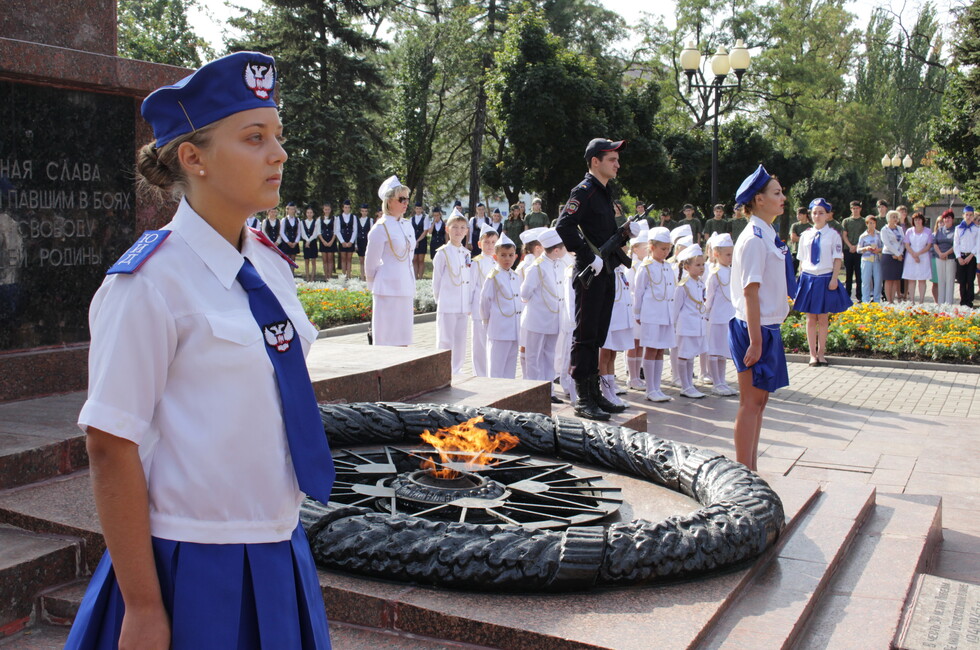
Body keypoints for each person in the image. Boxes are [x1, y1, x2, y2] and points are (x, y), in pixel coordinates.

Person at [65, 51, 333, 649]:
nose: (279, 154)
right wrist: (141, 605)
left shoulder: (268, 265)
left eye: (279, 136)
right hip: (190, 559)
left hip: (280, 541)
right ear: (194, 158)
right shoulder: (148, 283)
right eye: (255, 138)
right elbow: (110, 444)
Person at [555, 138, 638, 420]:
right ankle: (583, 397)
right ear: (595, 162)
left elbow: (602, 232)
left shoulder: (604, 191)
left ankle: (595, 393)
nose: (618, 164)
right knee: (586, 335)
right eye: (612, 159)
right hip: (591, 272)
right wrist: (588, 256)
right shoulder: (586, 190)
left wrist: (624, 232)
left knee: (598, 334)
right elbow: (563, 225)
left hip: (607, 271)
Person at [728, 165, 792, 471]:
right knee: (750, 403)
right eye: (776, 193)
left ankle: (751, 469)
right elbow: (750, 293)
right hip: (754, 330)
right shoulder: (754, 238)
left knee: (759, 403)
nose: (783, 198)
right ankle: (744, 473)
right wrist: (755, 341)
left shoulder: (766, 233)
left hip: (766, 327)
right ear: (758, 200)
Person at [795, 198, 851, 367]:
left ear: (828, 215)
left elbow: (837, 259)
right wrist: (801, 280)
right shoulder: (805, 235)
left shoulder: (833, 235)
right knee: (810, 318)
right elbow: (801, 260)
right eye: (814, 213)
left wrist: (834, 279)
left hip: (826, 278)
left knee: (823, 318)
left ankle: (822, 353)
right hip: (809, 277)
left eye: (821, 213)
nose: (817, 216)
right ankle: (812, 354)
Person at [365, 176, 415, 346]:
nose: (406, 202)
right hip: (387, 289)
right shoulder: (381, 227)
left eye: (407, 199)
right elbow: (370, 262)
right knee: (385, 338)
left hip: (405, 286)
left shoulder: (407, 225)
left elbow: (409, 257)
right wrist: (373, 284)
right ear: (389, 201)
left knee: (403, 337)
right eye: (401, 199)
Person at [520, 228, 567, 402]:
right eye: (563, 248)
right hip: (536, 319)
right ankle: (534, 390)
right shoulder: (537, 267)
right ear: (556, 250)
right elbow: (524, 292)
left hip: (554, 319)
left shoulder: (560, 265)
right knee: (533, 356)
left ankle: (549, 390)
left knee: (549, 355)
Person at [634, 226, 675, 402]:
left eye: (668, 249)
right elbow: (639, 292)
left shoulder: (668, 267)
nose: (666, 252)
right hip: (651, 314)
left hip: (665, 314)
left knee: (660, 350)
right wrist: (637, 313)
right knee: (651, 349)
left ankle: (657, 387)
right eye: (663, 249)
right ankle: (650, 389)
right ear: (652, 247)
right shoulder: (646, 267)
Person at [432, 211, 471, 374]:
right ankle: (442, 370)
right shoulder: (442, 253)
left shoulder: (466, 254)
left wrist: (468, 302)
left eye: (462, 227)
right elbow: (437, 280)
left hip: (462, 304)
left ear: (466, 231)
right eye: (454, 227)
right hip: (447, 303)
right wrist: (439, 301)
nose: (458, 231)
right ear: (447, 229)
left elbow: (468, 280)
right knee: (445, 340)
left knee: (460, 340)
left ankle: (457, 369)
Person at [480, 234, 523, 378]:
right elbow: (485, 301)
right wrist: (487, 322)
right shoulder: (494, 276)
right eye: (503, 255)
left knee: (510, 368)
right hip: (499, 329)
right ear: (495, 256)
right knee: (496, 369)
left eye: (510, 255)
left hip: (513, 330)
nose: (507, 259)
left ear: (515, 256)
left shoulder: (515, 276)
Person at [704, 233, 737, 396]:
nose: (731, 257)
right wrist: (706, 314)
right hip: (716, 317)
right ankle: (716, 382)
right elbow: (709, 297)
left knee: (723, 351)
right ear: (717, 254)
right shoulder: (714, 273)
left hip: (728, 316)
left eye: (732, 254)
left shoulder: (732, 271)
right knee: (714, 350)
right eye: (728, 254)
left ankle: (722, 381)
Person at [469, 223, 498, 377]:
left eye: (493, 242)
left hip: (494, 310)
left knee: (490, 342)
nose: (490, 246)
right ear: (479, 244)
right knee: (479, 344)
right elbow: (471, 286)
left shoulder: (497, 262)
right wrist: (468, 306)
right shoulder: (476, 262)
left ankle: (489, 373)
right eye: (486, 242)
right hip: (478, 309)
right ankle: (479, 374)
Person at [625, 230, 650, 390]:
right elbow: (630, 289)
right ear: (635, 249)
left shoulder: (644, 264)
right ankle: (631, 376)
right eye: (644, 247)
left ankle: (637, 376)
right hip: (634, 308)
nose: (647, 249)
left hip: (643, 309)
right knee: (633, 344)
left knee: (640, 344)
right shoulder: (632, 267)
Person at [902, 211, 933, 304]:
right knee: (911, 279)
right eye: (915, 220)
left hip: (924, 257)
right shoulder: (909, 231)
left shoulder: (928, 231)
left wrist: (918, 254)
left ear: (922, 221)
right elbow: (907, 244)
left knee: (922, 280)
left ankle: (921, 301)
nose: (917, 221)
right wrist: (914, 255)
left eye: (919, 219)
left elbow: (928, 245)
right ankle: (911, 300)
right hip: (911, 257)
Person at [840, 200, 866, 302]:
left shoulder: (863, 221)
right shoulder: (846, 221)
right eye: (853, 208)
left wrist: (856, 246)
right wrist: (850, 246)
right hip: (848, 250)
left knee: (859, 274)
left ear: (860, 209)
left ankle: (859, 296)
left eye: (857, 208)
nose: (855, 210)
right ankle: (847, 295)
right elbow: (844, 235)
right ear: (851, 209)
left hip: (859, 250)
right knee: (848, 274)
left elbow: (864, 236)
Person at [953, 205, 978, 307]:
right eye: (966, 215)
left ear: (973, 217)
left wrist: (971, 255)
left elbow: (978, 244)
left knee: (970, 280)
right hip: (961, 257)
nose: (968, 217)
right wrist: (958, 257)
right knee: (962, 280)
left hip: (971, 257)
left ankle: (969, 301)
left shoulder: (976, 229)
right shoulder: (958, 228)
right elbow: (956, 243)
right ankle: (963, 300)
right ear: (963, 215)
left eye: (970, 215)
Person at [857, 214, 883, 303]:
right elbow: (858, 249)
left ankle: (876, 300)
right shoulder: (863, 236)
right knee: (866, 280)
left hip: (877, 260)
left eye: (873, 223)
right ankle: (865, 300)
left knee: (878, 280)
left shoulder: (879, 234)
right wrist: (865, 248)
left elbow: (884, 247)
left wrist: (878, 250)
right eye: (870, 223)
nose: (871, 225)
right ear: (867, 224)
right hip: (866, 260)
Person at [880, 209, 905, 302]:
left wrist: (900, 253)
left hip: (898, 256)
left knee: (895, 279)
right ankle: (888, 300)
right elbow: (887, 243)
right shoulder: (884, 229)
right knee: (888, 279)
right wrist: (897, 254)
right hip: (888, 255)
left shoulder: (900, 229)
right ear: (888, 218)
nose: (895, 219)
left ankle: (893, 299)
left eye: (896, 217)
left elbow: (903, 242)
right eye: (893, 217)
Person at [934, 209, 957, 305]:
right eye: (945, 218)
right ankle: (940, 303)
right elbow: (935, 243)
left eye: (949, 218)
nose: (947, 220)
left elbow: (956, 245)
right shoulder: (939, 230)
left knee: (950, 280)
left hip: (950, 258)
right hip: (939, 258)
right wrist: (940, 254)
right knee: (941, 280)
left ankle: (948, 303)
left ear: (952, 219)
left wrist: (946, 254)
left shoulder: (956, 230)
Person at [335, 199, 356, 279]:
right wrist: (342, 241)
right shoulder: (339, 218)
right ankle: (344, 276)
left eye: (348, 207)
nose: (347, 209)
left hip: (350, 239)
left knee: (349, 259)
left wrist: (351, 241)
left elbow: (355, 230)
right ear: (343, 208)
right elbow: (337, 231)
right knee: (343, 259)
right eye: (345, 207)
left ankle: (349, 276)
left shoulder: (353, 217)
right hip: (343, 240)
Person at [410, 201, 430, 280]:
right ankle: (415, 277)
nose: (418, 210)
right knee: (414, 259)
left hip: (421, 241)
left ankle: (420, 278)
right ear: (415, 209)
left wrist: (417, 241)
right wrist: (414, 241)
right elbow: (410, 231)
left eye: (420, 209)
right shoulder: (411, 219)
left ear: (422, 209)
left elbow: (425, 231)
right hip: (413, 240)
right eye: (417, 209)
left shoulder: (425, 218)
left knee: (421, 260)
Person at [789, 206, 812, 275]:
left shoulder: (811, 227)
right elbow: (793, 238)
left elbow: (811, 240)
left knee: (805, 271)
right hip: (796, 251)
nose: (797, 216)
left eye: (800, 214)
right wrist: (805, 238)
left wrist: (799, 238)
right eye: (797, 214)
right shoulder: (795, 226)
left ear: (805, 215)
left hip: (806, 252)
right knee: (792, 271)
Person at [300, 204, 320, 282]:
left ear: (313, 214)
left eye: (311, 212)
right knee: (306, 261)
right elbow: (303, 233)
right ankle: (307, 277)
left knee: (313, 261)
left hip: (313, 242)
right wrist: (307, 240)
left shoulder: (316, 222)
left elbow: (315, 233)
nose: (309, 214)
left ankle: (312, 277)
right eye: (308, 212)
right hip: (306, 243)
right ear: (306, 213)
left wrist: (309, 241)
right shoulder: (302, 222)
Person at [318, 201, 337, 280]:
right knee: (324, 259)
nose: (327, 211)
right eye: (325, 209)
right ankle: (326, 276)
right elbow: (318, 232)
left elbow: (335, 231)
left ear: (330, 210)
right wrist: (323, 241)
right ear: (323, 210)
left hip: (331, 240)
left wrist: (331, 241)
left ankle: (330, 276)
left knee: (330, 259)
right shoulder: (319, 219)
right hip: (323, 241)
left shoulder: (334, 218)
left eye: (328, 209)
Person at [355, 203, 371, 281]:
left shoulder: (370, 220)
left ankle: (367, 276)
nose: (364, 212)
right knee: (361, 260)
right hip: (360, 241)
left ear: (367, 212)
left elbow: (371, 232)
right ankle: (362, 276)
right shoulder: (357, 220)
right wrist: (355, 244)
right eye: (362, 211)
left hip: (367, 242)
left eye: (365, 211)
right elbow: (355, 232)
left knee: (367, 260)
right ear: (360, 211)